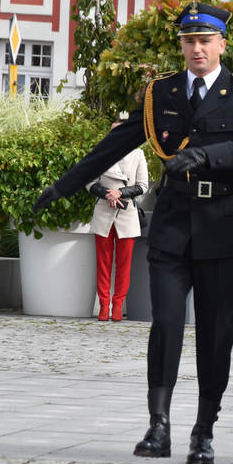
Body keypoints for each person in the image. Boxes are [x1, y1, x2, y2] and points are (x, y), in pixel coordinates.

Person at [33, 1, 233, 464]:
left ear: (222, 44)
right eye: (189, 41)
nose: (197, 49)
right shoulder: (160, 93)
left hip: (222, 222)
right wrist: (63, 186)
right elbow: (116, 144)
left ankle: (204, 430)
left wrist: (208, 157)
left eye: (205, 40)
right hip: (173, 221)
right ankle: (158, 425)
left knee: (216, 332)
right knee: (165, 324)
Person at [86, 117, 149, 321]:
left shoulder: (138, 154)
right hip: (104, 211)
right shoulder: (100, 153)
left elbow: (143, 185)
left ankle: (118, 306)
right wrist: (108, 194)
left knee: (124, 265)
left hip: (126, 213)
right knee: (103, 264)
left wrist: (120, 192)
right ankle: (104, 305)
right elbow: (89, 183)